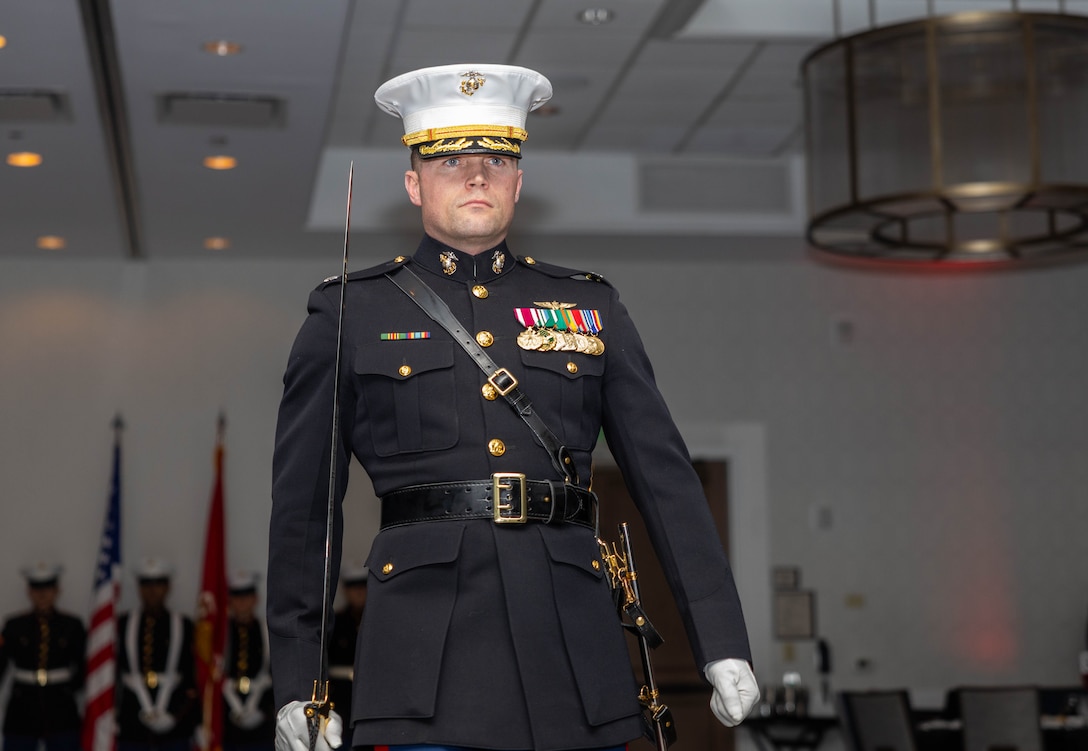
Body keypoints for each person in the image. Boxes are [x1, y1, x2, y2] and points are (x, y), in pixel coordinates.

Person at [268, 63, 760, 751]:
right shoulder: (349, 312)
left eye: (497, 158)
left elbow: (667, 480)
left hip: (573, 657)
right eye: (450, 159)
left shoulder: (591, 306)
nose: (476, 175)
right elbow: (303, 513)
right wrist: (299, 677)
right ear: (414, 183)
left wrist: (721, 640)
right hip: (424, 667)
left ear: (519, 183)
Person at [0, 562, 86, 751]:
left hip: (61, 706)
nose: (42, 594)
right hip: (22, 706)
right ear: (29, 592)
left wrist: (70, 689)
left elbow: (83, 666)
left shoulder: (72, 625)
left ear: (57, 591)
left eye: (47, 588)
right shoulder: (14, 626)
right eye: (36, 588)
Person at [116, 558, 199, 751]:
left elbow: (192, 676)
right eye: (146, 584)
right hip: (132, 723)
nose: (152, 590)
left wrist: (177, 715)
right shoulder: (122, 624)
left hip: (174, 721)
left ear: (168, 587)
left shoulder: (184, 625)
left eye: (158, 584)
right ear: (139, 588)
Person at [222, 571, 275, 751]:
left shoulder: (267, 631)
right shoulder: (220, 634)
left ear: (255, 598)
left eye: (247, 595)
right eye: (237, 596)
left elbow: (274, 674)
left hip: (261, 720)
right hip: (227, 723)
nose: (242, 601)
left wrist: (266, 711)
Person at [327, 563, 368, 717]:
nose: (359, 592)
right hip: (341, 694)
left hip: (370, 691)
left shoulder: (380, 621)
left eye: (362, 586)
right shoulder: (335, 622)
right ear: (345, 590)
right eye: (353, 587)